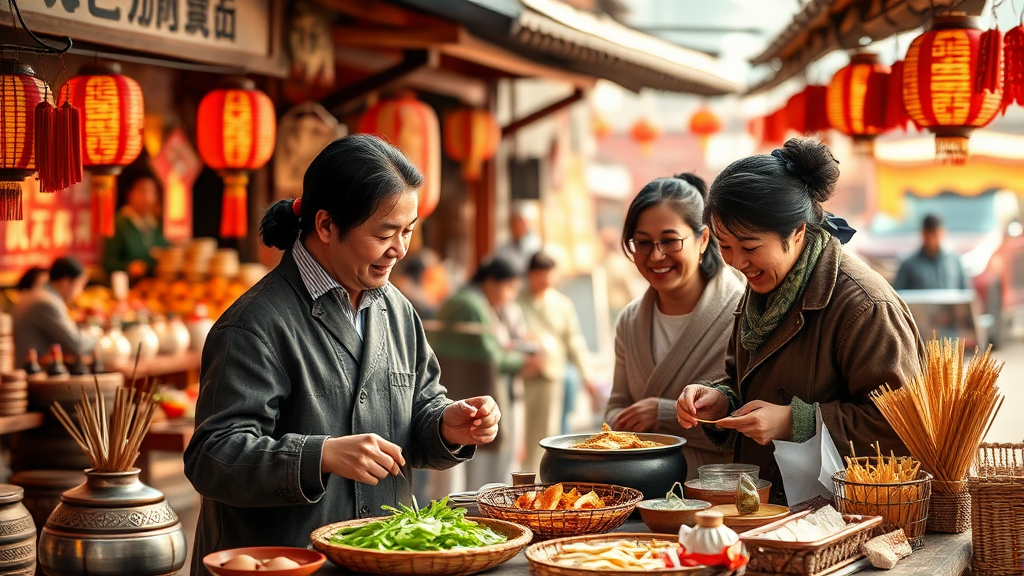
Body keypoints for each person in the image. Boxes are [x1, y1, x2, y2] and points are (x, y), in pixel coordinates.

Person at [183, 135, 501, 576]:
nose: (401, 249)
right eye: (385, 233)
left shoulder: (396, 310)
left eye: (408, 231)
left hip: (380, 563)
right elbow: (213, 457)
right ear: (327, 226)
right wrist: (321, 455)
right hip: (281, 565)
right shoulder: (255, 324)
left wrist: (448, 424)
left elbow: (422, 407)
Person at [676, 138, 925, 504]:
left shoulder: (864, 305)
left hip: (848, 515)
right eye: (725, 247)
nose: (736, 263)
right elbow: (742, 380)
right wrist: (723, 401)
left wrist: (796, 421)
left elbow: (903, 427)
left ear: (796, 233)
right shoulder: (763, 285)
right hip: (772, 507)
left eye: (749, 247)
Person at [605, 174, 743, 478]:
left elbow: (751, 417)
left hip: (718, 492)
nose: (656, 256)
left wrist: (663, 414)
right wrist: (625, 426)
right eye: (642, 243)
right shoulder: (629, 321)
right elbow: (615, 407)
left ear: (703, 239)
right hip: (639, 491)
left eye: (670, 241)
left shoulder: (741, 310)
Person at [427, 255, 543, 492]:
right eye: (510, 287)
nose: (510, 295)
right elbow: (492, 357)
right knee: (479, 472)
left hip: (456, 394)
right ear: (492, 282)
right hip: (471, 399)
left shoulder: (465, 300)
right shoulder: (470, 305)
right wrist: (522, 360)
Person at [518, 251, 596, 473]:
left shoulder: (561, 304)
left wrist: (586, 375)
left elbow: (574, 341)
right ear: (531, 275)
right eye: (539, 274)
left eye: (548, 274)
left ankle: (541, 480)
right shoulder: (518, 300)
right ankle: (523, 479)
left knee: (547, 433)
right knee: (520, 434)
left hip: (551, 374)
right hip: (522, 373)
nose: (544, 279)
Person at [12, 257, 96, 365]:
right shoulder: (47, 302)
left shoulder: (38, 294)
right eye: (80, 285)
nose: (81, 291)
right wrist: (97, 335)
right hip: (35, 373)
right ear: (65, 282)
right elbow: (76, 344)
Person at [103, 163, 170, 279]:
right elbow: (108, 263)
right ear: (129, 193)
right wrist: (128, 267)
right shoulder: (119, 223)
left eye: (152, 192)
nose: (148, 198)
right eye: (142, 191)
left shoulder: (156, 224)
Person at [892, 213, 967, 291]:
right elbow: (898, 295)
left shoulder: (954, 261)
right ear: (923, 233)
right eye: (929, 234)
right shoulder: (908, 264)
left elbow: (966, 293)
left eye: (935, 234)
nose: (932, 239)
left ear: (943, 233)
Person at [494, 201, 543, 272]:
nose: (517, 225)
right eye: (514, 221)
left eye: (521, 221)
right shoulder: (503, 247)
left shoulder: (537, 246)